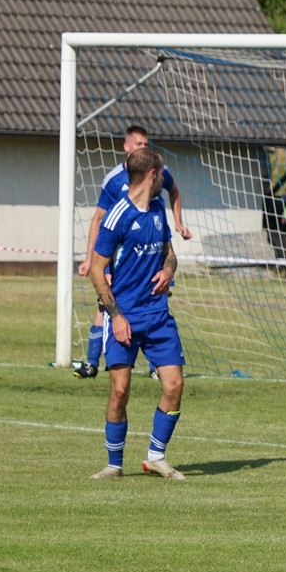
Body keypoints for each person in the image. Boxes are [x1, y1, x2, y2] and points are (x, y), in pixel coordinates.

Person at [88, 147, 187, 480]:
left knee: (174, 384)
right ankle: (114, 464)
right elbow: (97, 270)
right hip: (125, 316)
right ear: (152, 175)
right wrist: (115, 316)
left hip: (157, 315)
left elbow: (169, 253)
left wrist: (169, 270)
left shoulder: (158, 208)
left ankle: (155, 457)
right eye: (162, 173)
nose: (165, 180)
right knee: (120, 390)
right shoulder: (117, 215)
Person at [75, 124, 192, 380]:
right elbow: (99, 220)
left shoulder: (158, 190)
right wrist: (92, 260)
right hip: (117, 262)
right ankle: (92, 362)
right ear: (126, 147)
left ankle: (156, 365)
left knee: (154, 300)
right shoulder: (114, 182)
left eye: (146, 144)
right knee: (105, 305)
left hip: (150, 262)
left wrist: (178, 222)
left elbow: (174, 190)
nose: (143, 147)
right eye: (139, 144)